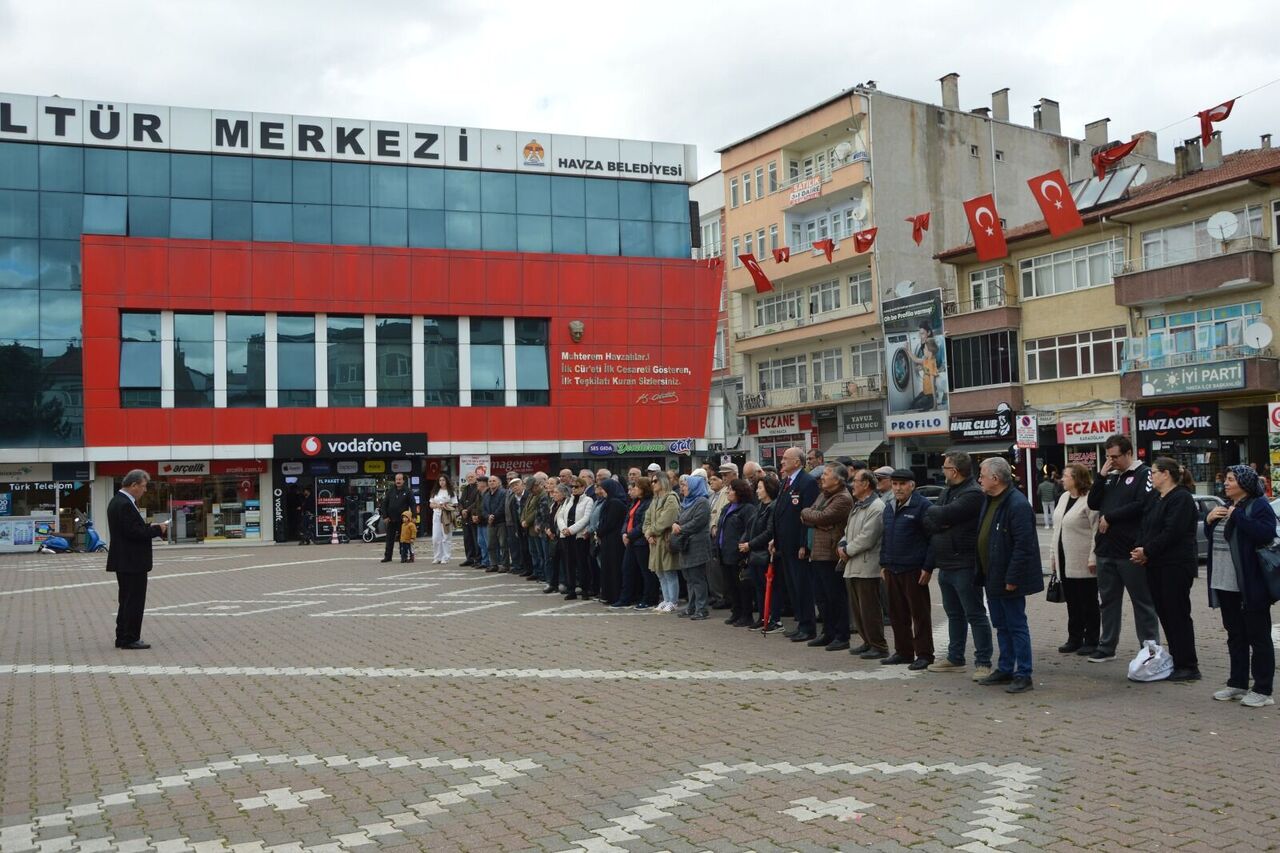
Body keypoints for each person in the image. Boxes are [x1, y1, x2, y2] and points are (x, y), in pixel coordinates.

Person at [1206, 465, 1278, 708]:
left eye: (1230, 479)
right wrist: (1209, 522)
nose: (1225, 483)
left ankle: (1263, 689)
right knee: (1235, 635)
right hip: (1225, 582)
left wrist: (1238, 516)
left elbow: (1266, 533)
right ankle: (1237, 683)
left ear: (1244, 483)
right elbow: (1219, 539)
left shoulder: (1259, 505)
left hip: (1250, 584)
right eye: (1225, 479)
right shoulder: (1226, 507)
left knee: (1258, 637)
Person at [1086, 434, 1160, 663]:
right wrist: (1100, 475)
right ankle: (1107, 646)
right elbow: (1093, 502)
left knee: (1142, 601)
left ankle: (1149, 648)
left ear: (1129, 453)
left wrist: (1112, 516)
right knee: (1108, 601)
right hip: (1106, 549)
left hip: (1130, 550)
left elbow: (1142, 504)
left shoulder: (1144, 474)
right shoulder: (1110, 477)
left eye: (1115, 456)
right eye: (1108, 457)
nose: (1112, 461)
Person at [975, 457, 1043, 694]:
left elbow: (1024, 546)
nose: (979, 479)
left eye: (982, 475)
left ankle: (1023, 673)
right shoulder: (990, 499)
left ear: (995, 478)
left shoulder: (1016, 504)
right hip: (991, 575)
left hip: (1007, 577)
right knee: (1001, 625)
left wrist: (1013, 577)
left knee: (1016, 625)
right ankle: (1005, 668)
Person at [922, 452, 993, 680]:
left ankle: (983, 662)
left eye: (945, 467)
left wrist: (941, 518)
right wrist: (940, 519)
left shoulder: (973, 493)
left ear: (955, 470)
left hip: (964, 563)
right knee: (954, 613)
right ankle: (955, 658)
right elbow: (929, 520)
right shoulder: (948, 491)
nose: (942, 470)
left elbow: (942, 513)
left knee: (975, 614)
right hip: (946, 564)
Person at [1131, 457, 1201, 682]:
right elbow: (1145, 524)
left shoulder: (1181, 498)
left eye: (1154, 472)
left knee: (1177, 613)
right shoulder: (1154, 497)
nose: (1151, 476)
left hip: (1175, 565)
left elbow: (1172, 532)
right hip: (1155, 565)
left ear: (1166, 474)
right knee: (1164, 613)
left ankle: (1188, 665)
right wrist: (1140, 549)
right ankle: (1177, 660)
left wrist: (1148, 550)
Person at [106, 469, 169, 650]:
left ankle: (123, 636)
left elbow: (133, 528)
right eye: (143, 486)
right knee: (133, 600)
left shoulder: (119, 501)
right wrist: (157, 530)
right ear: (133, 485)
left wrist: (151, 526)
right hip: (131, 560)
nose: (145, 490)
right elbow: (134, 532)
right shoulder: (124, 504)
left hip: (126, 560)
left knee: (126, 600)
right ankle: (130, 638)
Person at [879, 469, 934, 669]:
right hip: (892, 568)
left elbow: (932, 540)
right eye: (894, 484)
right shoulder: (889, 507)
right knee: (897, 614)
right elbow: (885, 538)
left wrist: (927, 568)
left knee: (919, 615)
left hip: (914, 569)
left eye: (902, 484)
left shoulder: (923, 507)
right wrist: (883, 564)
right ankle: (903, 652)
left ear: (912, 485)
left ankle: (925, 654)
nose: (898, 488)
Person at [800, 462, 854, 650]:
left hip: (831, 554)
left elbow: (822, 517)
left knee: (835, 596)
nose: (822, 477)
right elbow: (805, 514)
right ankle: (828, 632)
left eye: (827, 474)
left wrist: (813, 517)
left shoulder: (843, 498)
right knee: (822, 597)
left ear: (839, 479)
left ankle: (841, 635)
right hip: (817, 552)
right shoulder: (824, 494)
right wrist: (814, 518)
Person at [1050, 464, 1101, 655]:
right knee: (1072, 602)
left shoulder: (1089, 500)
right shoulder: (1063, 497)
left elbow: (1096, 530)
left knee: (1088, 601)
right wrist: (1053, 556)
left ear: (1077, 478)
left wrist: (1093, 557)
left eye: (1066, 476)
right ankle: (1075, 638)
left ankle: (1092, 639)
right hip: (1065, 559)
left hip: (1083, 560)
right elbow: (1057, 529)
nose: (1062, 479)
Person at [773, 446, 820, 642]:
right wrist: (775, 540)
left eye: (785, 458)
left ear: (797, 462)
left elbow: (806, 516)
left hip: (797, 545)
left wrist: (804, 544)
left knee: (802, 587)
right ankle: (800, 622)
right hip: (784, 544)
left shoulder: (807, 482)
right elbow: (780, 514)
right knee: (792, 587)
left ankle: (808, 627)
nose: (782, 461)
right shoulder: (786, 482)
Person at [839, 469, 887, 659]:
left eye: (856, 481)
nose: (852, 484)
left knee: (870, 609)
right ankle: (867, 641)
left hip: (867, 566)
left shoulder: (876, 507)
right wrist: (842, 543)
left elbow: (868, 537)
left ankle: (879, 645)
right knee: (858, 610)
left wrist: (847, 550)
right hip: (853, 565)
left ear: (866, 484)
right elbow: (848, 530)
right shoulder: (858, 505)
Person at [716, 478, 757, 627]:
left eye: (732, 489)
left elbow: (749, 529)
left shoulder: (748, 509)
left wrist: (742, 545)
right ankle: (736, 612)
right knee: (731, 585)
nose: (728, 492)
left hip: (738, 553)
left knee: (742, 585)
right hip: (724, 552)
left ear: (740, 491)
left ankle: (746, 615)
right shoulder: (727, 508)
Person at [671, 474, 713, 620]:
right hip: (686, 544)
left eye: (685, 485)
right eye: (682, 485)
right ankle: (692, 607)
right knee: (689, 578)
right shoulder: (686, 501)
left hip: (698, 544)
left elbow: (698, 522)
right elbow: (681, 517)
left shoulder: (702, 502)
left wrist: (680, 528)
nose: (682, 488)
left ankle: (701, 608)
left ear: (694, 486)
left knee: (698, 578)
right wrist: (676, 523)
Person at [741, 474, 779, 631]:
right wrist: (744, 542)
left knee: (769, 587)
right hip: (754, 554)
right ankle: (763, 617)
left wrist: (750, 544)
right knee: (758, 587)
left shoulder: (772, 507)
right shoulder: (760, 507)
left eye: (760, 488)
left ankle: (773, 618)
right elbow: (751, 528)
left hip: (764, 553)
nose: (757, 491)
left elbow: (769, 532)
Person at [644, 471, 681, 612]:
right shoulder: (655, 500)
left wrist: (651, 531)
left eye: (655, 481)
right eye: (652, 481)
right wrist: (648, 534)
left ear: (663, 481)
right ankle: (666, 599)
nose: (652, 484)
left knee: (669, 571)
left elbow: (667, 519)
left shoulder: (671, 498)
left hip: (665, 540)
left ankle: (673, 601)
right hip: (654, 542)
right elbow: (646, 520)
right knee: (660, 572)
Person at [616, 479, 654, 609]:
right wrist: (623, 533)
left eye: (637, 487)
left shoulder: (648, 503)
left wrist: (630, 535)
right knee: (627, 569)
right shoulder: (635, 502)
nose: (634, 489)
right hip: (631, 541)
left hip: (641, 541)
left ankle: (648, 598)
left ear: (644, 489)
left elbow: (644, 523)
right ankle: (625, 598)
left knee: (645, 572)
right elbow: (628, 519)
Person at [596, 478, 628, 606]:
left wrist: (599, 532)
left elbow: (610, 523)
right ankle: (608, 594)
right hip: (608, 540)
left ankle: (614, 595)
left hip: (614, 541)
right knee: (607, 567)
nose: (602, 491)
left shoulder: (615, 503)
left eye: (603, 489)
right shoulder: (609, 502)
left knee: (614, 568)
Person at [560, 477, 594, 599]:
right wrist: (564, 528)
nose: (574, 489)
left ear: (583, 488)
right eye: (572, 487)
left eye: (577, 487)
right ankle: (571, 590)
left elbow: (586, 518)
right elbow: (560, 516)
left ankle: (584, 589)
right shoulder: (568, 500)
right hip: (566, 536)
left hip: (579, 536)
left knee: (582, 563)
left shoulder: (588, 500)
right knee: (569, 564)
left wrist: (572, 529)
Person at [706, 470, 730, 609]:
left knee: (719, 569)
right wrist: (713, 525)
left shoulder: (725, 493)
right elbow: (713, 514)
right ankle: (716, 595)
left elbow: (720, 513)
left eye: (715, 479)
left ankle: (722, 596)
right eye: (711, 480)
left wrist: (715, 525)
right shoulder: (712, 496)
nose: (711, 482)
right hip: (713, 533)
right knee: (712, 568)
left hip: (721, 536)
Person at [380, 473, 415, 563]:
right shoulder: (390, 491)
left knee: (403, 540)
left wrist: (414, 516)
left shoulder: (408, 491)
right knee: (389, 539)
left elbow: (413, 505)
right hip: (391, 519)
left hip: (403, 521)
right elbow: (384, 504)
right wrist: (385, 516)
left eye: (400, 479)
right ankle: (388, 557)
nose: (398, 481)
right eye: (397, 479)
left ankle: (403, 557)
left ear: (403, 481)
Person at [544, 483, 570, 594]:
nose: (553, 495)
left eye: (556, 492)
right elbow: (549, 519)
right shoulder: (553, 505)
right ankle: (552, 583)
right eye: (553, 492)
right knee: (553, 560)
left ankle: (564, 582)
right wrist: (548, 529)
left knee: (564, 561)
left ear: (563, 494)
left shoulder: (567, 504)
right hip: (553, 537)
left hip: (563, 537)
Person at [429, 475, 458, 564]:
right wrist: (438, 505)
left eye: (443, 480)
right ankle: (437, 556)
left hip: (447, 515)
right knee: (436, 537)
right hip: (437, 514)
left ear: (447, 481)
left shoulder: (451, 492)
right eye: (440, 480)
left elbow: (455, 504)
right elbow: (431, 504)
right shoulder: (435, 491)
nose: (441, 482)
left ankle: (446, 557)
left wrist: (446, 506)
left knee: (446, 536)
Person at [483, 475, 509, 572]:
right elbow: (484, 509)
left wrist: (493, 516)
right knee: (491, 545)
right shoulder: (486, 495)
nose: (491, 482)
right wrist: (487, 516)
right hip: (490, 523)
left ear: (498, 483)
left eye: (494, 481)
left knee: (503, 545)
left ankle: (505, 565)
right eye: (490, 481)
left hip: (501, 522)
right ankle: (494, 564)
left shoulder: (503, 493)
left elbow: (502, 507)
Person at [470, 475, 490, 569]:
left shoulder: (489, 493)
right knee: (481, 542)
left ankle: (490, 561)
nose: (477, 483)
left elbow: (486, 508)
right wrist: (474, 515)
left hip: (486, 522)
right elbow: (476, 506)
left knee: (488, 543)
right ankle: (484, 561)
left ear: (484, 484)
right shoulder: (479, 493)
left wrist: (479, 516)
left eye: (479, 482)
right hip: (479, 522)